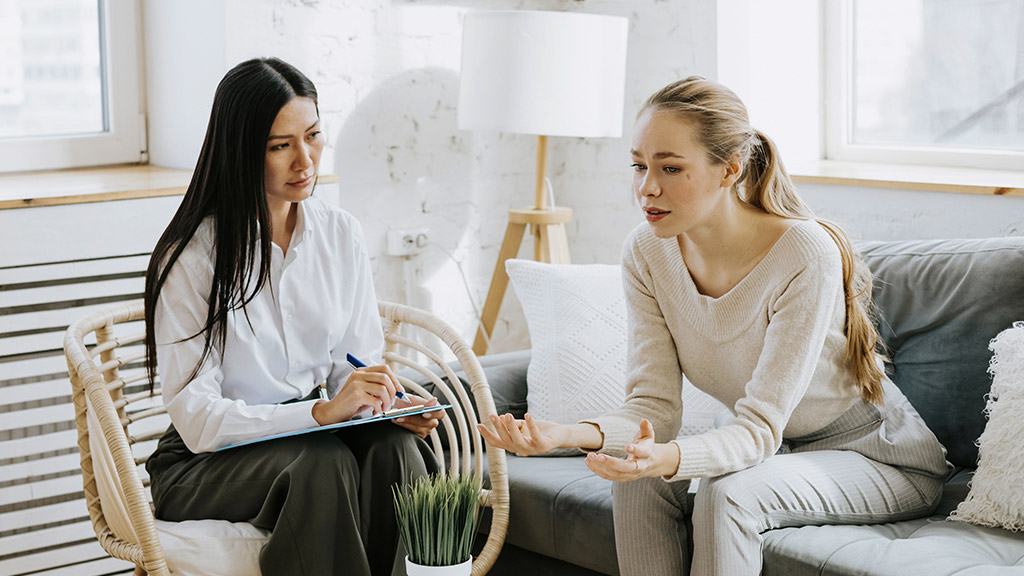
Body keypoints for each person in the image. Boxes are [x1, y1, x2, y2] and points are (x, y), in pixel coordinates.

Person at [478, 76, 949, 576]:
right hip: (774, 449)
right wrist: (569, 434)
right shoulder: (647, 250)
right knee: (636, 478)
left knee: (730, 493)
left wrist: (666, 458)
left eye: (671, 167)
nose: (647, 188)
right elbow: (652, 412)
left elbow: (759, 429)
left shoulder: (803, 252)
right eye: (639, 166)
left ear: (729, 170)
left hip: (875, 456)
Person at [143, 57, 444, 576]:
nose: (305, 160)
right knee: (320, 464)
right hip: (202, 462)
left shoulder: (339, 233)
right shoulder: (193, 258)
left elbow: (352, 364)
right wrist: (318, 416)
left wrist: (382, 404)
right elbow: (196, 419)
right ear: (241, 152)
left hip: (307, 437)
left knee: (395, 450)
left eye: (313, 136)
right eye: (280, 146)